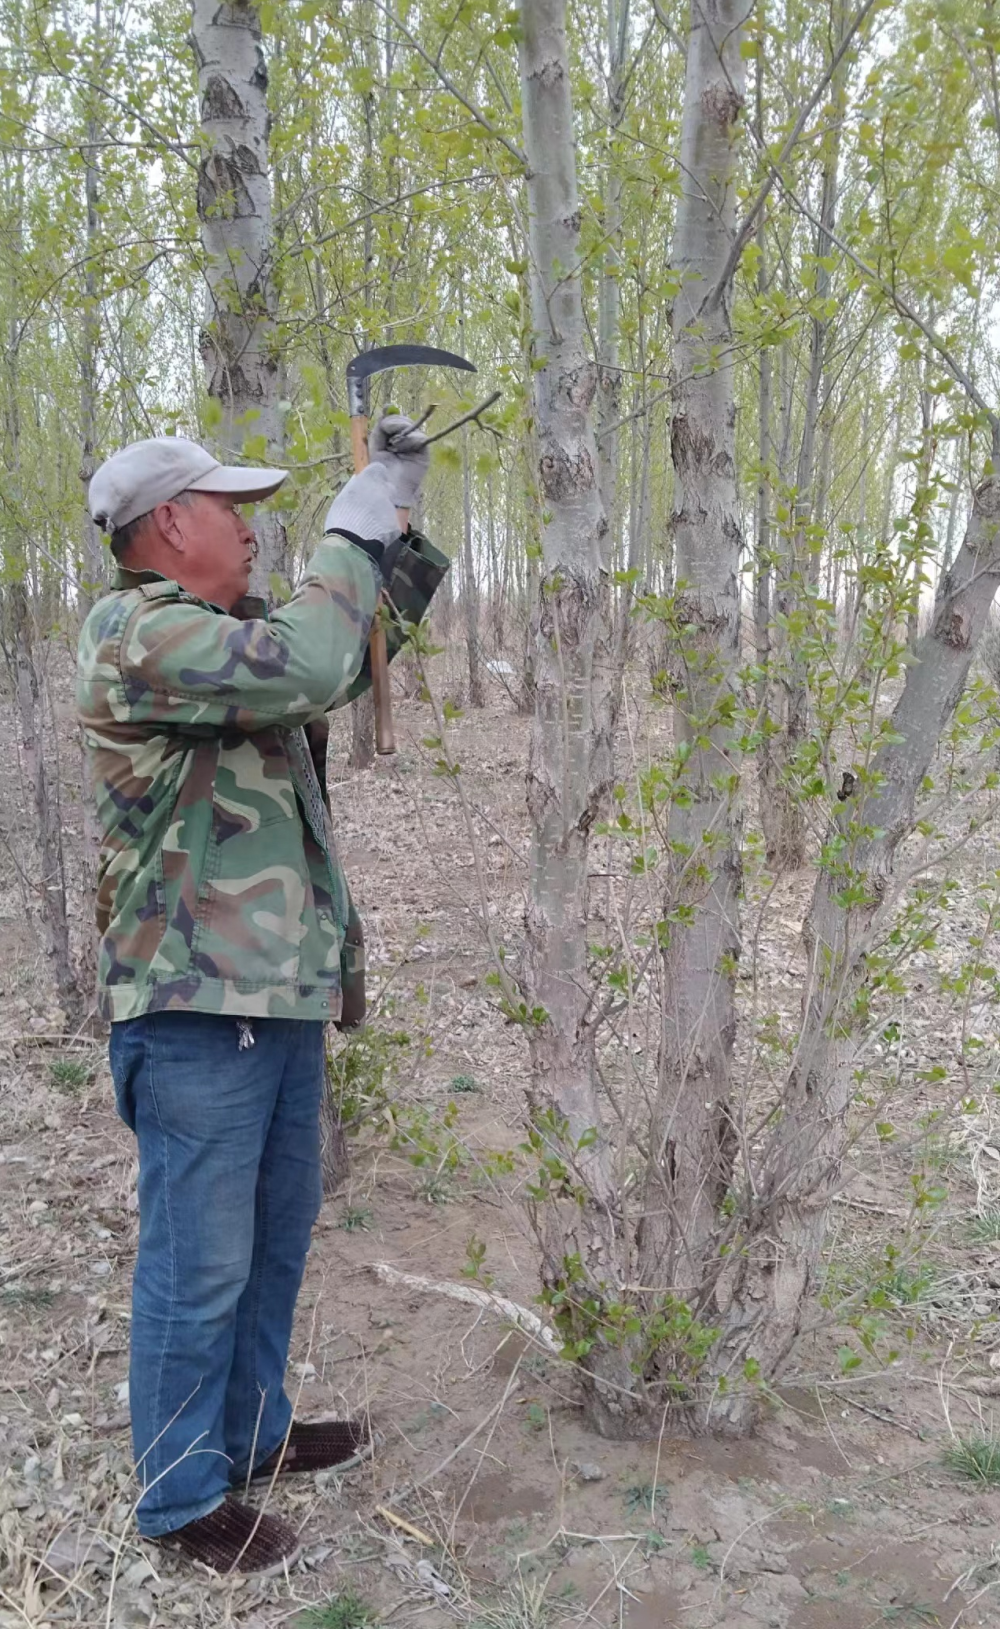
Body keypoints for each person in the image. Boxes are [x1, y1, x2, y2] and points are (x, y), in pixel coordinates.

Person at [76, 420, 445, 1573]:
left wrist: (398, 526)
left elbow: (357, 641)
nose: (249, 524)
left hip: (269, 997)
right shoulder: (139, 633)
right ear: (170, 524)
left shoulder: (228, 634)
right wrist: (346, 519)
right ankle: (182, 1496)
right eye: (230, 506)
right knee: (198, 1262)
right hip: (193, 1010)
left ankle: (250, 1432)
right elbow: (310, 660)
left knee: (273, 1241)